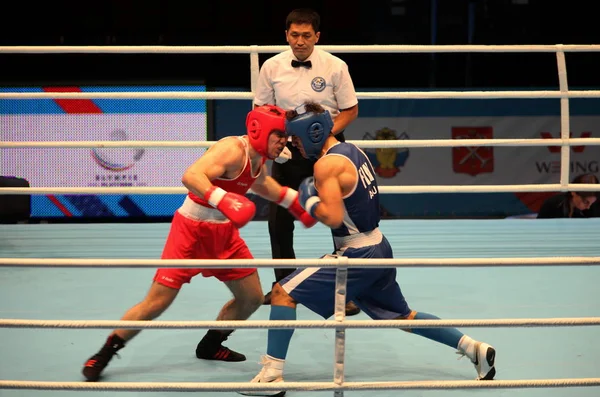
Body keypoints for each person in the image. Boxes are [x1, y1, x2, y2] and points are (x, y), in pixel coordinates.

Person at [240, 103, 496, 396]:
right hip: (378, 245)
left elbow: (333, 217)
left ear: (312, 132)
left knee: (282, 293)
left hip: (356, 254)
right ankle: (474, 348)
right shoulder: (354, 151)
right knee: (402, 316)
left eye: (296, 139)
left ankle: (271, 376)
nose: (294, 145)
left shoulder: (326, 166)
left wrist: (308, 200)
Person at [81, 105, 317, 382]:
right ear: (260, 131)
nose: (285, 142)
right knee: (157, 302)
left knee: (251, 298)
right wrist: (223, 199)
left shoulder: (259, 158)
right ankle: (106, 352)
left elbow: (262, 183)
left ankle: (211, 345)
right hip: (190, 232)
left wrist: (294, 203)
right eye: (280, 135)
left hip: (224, 234)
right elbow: (191, 176)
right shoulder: (231, 149)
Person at [253, 8, 360, 316]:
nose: (300, 41)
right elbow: (262, 109)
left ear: (317, 36)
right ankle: (283, 287)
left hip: (327, 154)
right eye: (294, 35)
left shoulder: (335, 66)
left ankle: (347, 291)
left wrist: (320, 135)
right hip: (286, 151)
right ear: (286, 35)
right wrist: (277, 143)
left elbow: (350, 110)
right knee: (279, 223)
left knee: (341, 221)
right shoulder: (271, 66)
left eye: (306, 35)